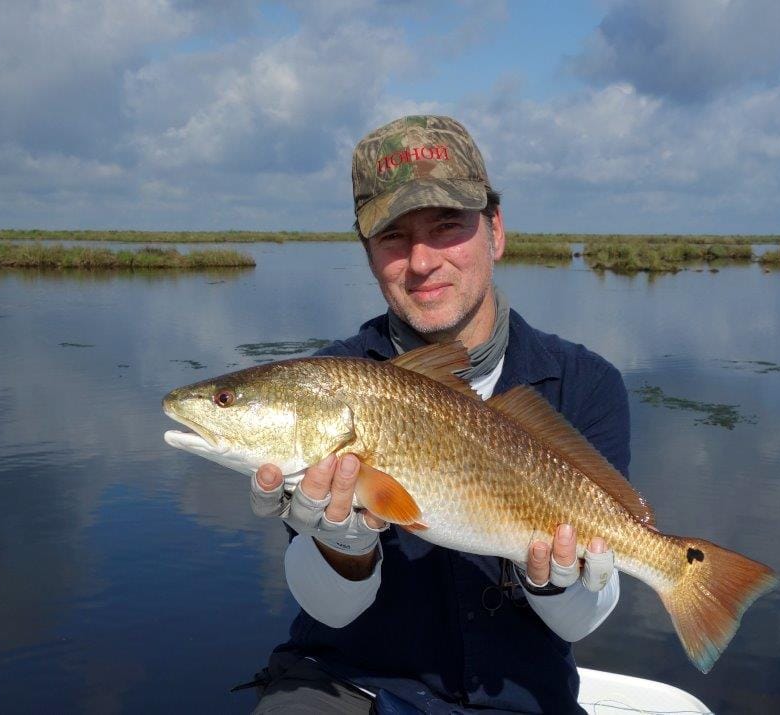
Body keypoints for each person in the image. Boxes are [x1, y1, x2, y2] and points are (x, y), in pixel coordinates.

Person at [247, 116, 632, 714]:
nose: (421, 261)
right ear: (368, 253)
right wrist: (341, 547)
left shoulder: (586, 385)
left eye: (448, 226)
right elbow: (330, 609)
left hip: (523, 699)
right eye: (393, 237)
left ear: (496, 231)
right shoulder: (328, 385)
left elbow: (583, 620)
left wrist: (557, 581)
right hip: (350, 684)